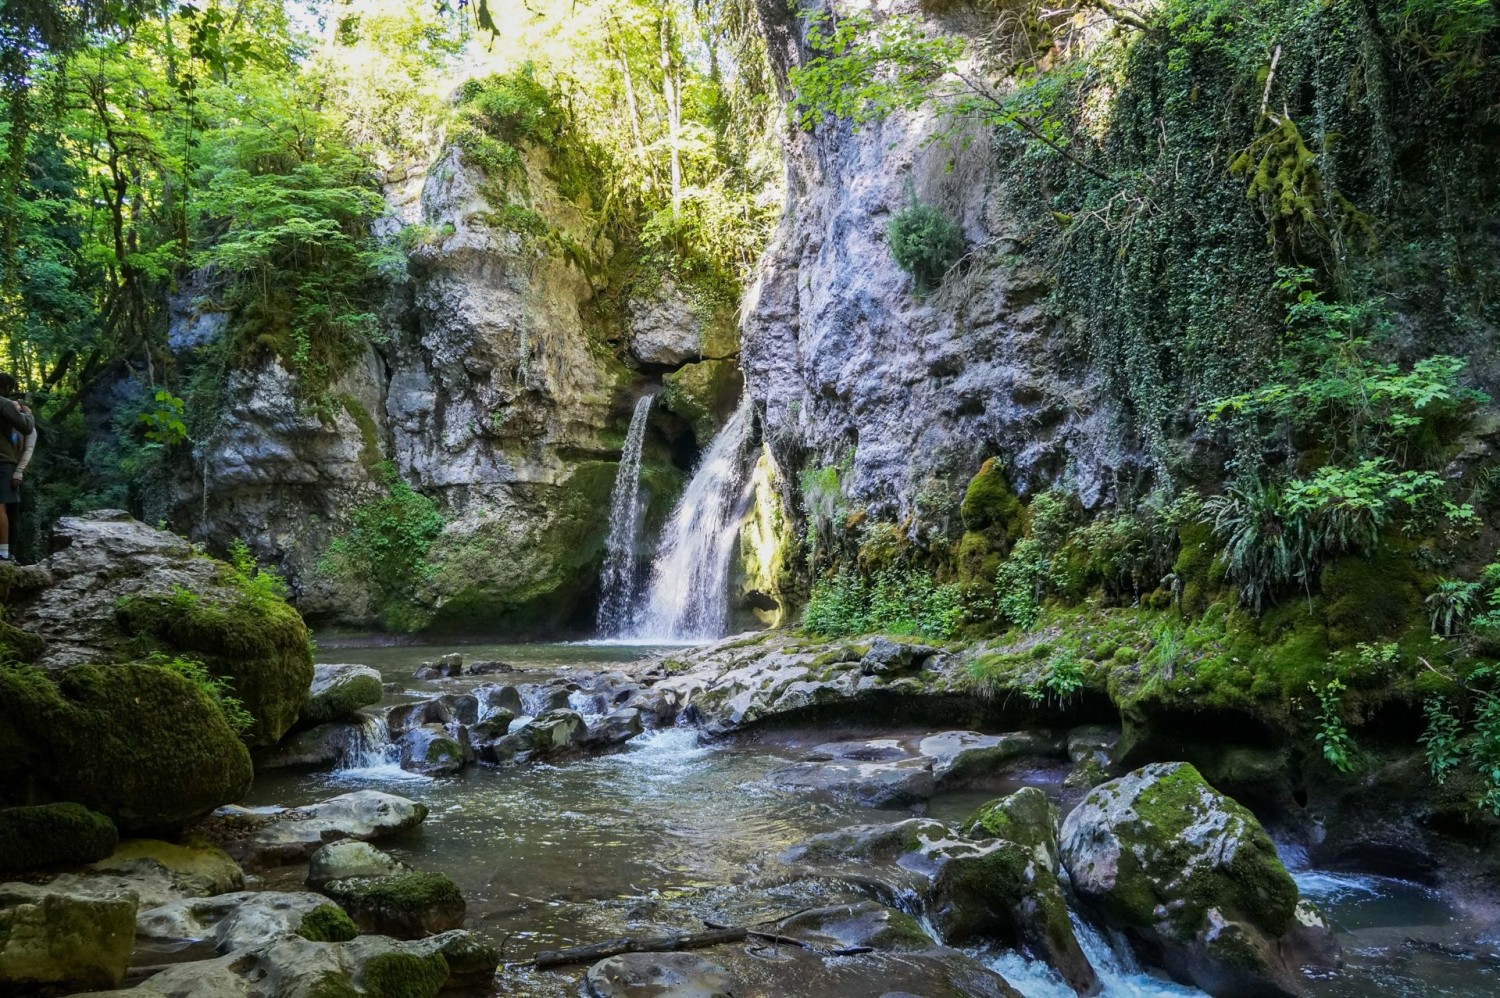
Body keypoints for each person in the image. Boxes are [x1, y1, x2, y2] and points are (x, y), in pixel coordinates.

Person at [0, 373, 36, 562]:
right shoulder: (4, 404)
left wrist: (20, 471)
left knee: (10, 512)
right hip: (4, 463)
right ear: (6, 388)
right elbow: (27, 427)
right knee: (2, 508)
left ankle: (8, 552)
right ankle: (4, 553)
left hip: (11, 467)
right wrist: (27, 413)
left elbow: (28, 446)